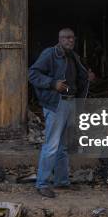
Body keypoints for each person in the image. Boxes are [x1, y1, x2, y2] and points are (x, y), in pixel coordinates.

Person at [28, 28, 94, 198]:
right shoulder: (50, 54)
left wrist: (88, 77)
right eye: (66, 38)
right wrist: (52, 83)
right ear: (59, 39)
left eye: (72, 38)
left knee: (63, 147)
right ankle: (41, 183)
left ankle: (61, 182)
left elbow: (79, 78)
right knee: (51, 145)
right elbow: (33, 74)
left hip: (70, 103)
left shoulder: (74, 57)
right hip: (57, 105)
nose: (69, 41)